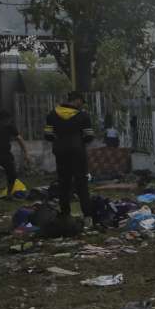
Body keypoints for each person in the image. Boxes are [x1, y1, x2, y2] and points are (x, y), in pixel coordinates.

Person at [44, 91, 95, 222]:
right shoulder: (83, 116)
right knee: (81, 183)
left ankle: (65, 214)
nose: (81, 105)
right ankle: (88, 216)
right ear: (77, 100)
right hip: (77, 152)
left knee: (63, 183)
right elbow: (89, 136)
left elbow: (48, 135)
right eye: (81, 102)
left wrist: (60, 141)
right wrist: (78, 143)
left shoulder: (52, 115)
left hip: (60, 152)